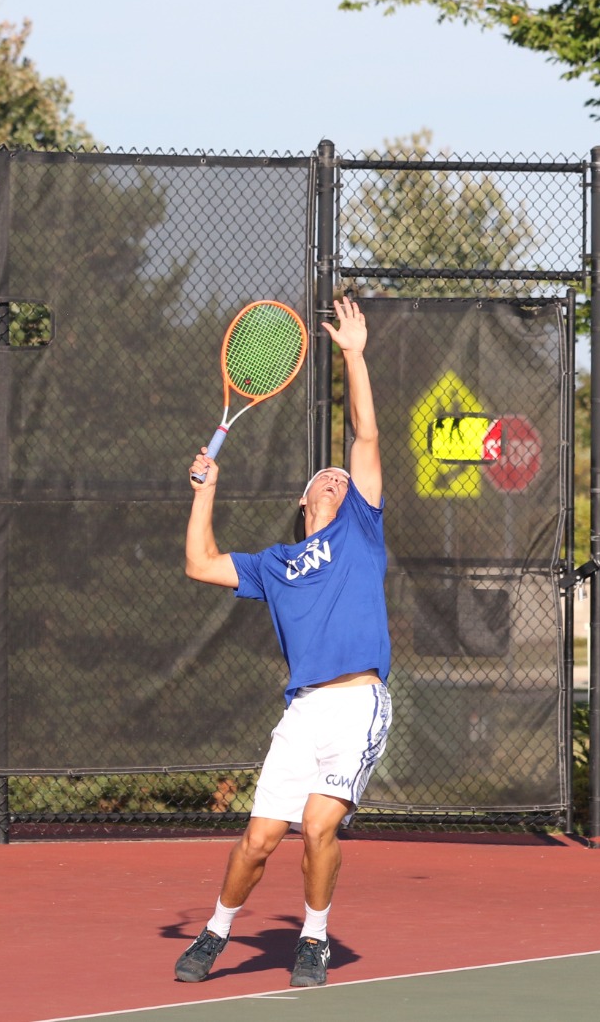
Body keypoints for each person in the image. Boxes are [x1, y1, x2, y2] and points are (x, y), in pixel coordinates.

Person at [173, 294, 391, 990]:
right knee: (259, 839)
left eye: (343, 476)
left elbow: (365, 438)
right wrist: (205, 489)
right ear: (306, 501)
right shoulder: (275, 564)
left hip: (357, 703)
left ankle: (315, 940)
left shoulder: (361, 528)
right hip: (302, 712)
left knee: (320, 824)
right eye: (325, 478)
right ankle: (215, 932)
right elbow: (200, 564)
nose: (338, 476)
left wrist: (354, 355)